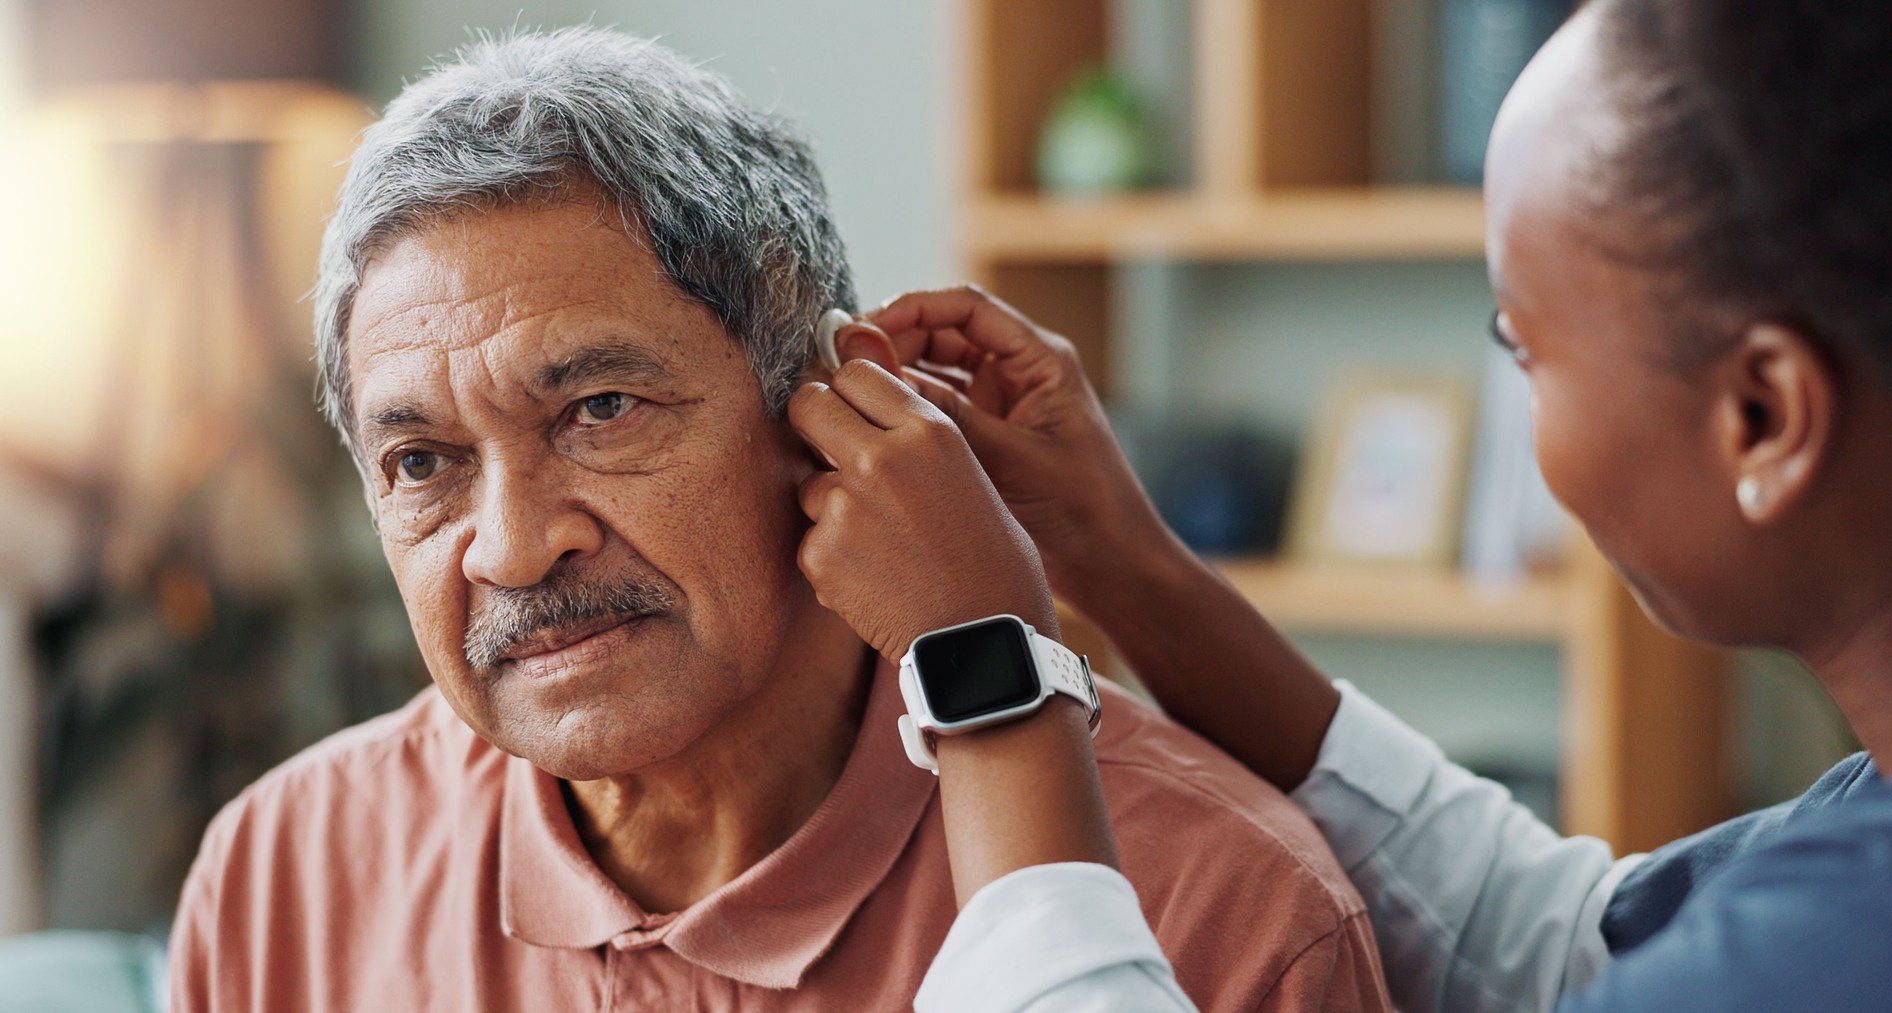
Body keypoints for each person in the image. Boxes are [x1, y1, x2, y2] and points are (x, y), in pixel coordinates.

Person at [167, 27, 1394, 1012]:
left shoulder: (1223, 915)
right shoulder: (282, 873)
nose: (513, 543)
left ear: (834, 404)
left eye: (599, 408)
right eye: (422, 461)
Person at [834, 0, 1892, 1010]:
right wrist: (1120, 556)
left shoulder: (1844, 943)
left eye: (1525, 347)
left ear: (1763, 415)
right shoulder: (1860, 826)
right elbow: (1553, 935)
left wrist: (987, 669)